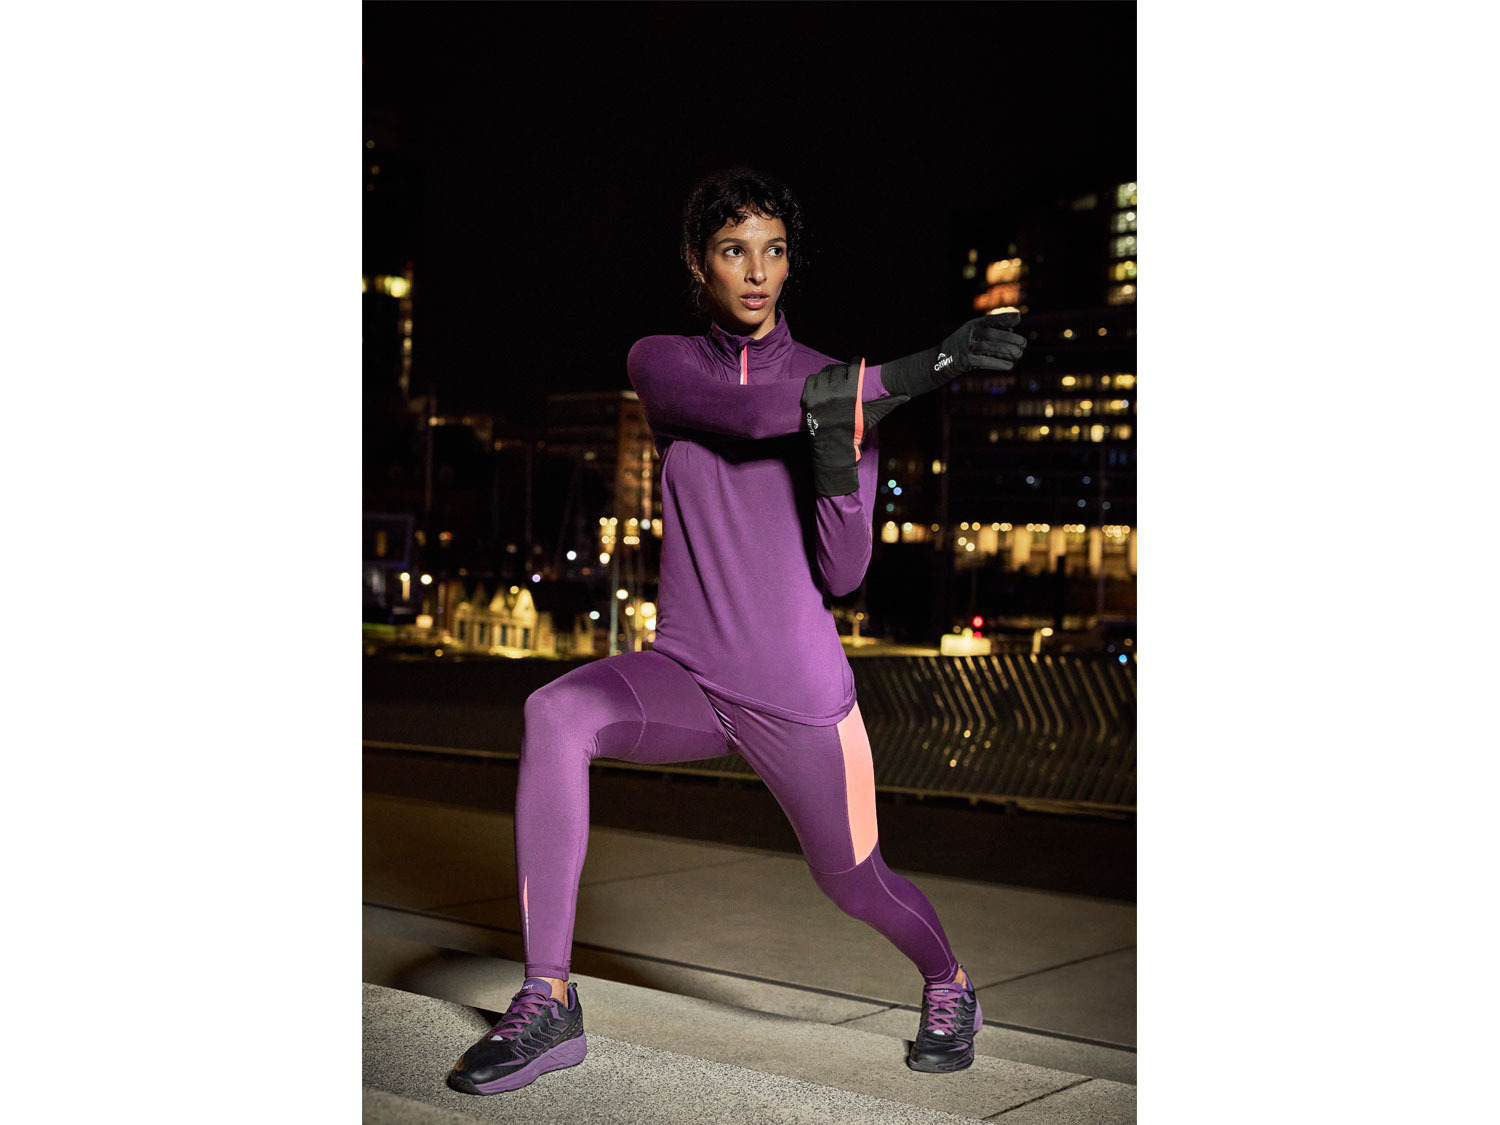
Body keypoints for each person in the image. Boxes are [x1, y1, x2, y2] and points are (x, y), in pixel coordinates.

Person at [448, 168, 1026, 1096]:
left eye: (774, 250)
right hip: (684, 674)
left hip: (798, 691)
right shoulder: (664, 364)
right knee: (555, 712)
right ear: (698, 262)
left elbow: (844, 572)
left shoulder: (842, 390)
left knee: (855, 882)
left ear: (790, 263)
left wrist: (838, 448)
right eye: (733, 250)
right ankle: (547, 999)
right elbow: (754, 411)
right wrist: (923, 370)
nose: (756, 272)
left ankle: (949, 983)